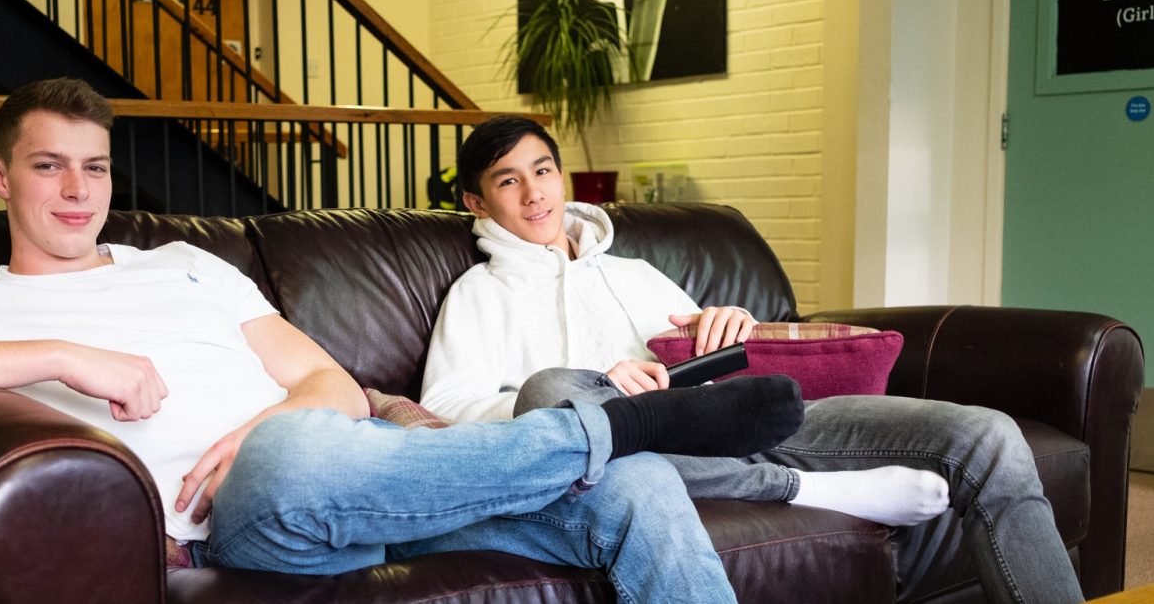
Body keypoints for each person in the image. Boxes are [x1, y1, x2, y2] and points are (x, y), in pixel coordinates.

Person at [0, 79, 809, 603]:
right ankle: (615, 426)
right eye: (50, 166)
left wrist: (280, 415)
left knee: (638, 490)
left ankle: (611, 444)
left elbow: (327, 378)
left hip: (380, 476)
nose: (78, 191)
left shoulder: (188, 264)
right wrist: (66, 357)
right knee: (292, 453)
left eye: (96, 167)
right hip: (246, 516)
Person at [420, 116, 1085, 604]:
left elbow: (708, 356)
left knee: (986, 435)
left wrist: (732, 325)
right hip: (643, 454)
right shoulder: (478, 295)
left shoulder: (633, 270)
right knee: (552, 394)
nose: (534, 192)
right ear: (478, 202)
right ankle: (807, 490)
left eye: (542, 170)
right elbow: (444, 411)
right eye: (509, 180)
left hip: (743, 421)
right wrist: (594, 390)